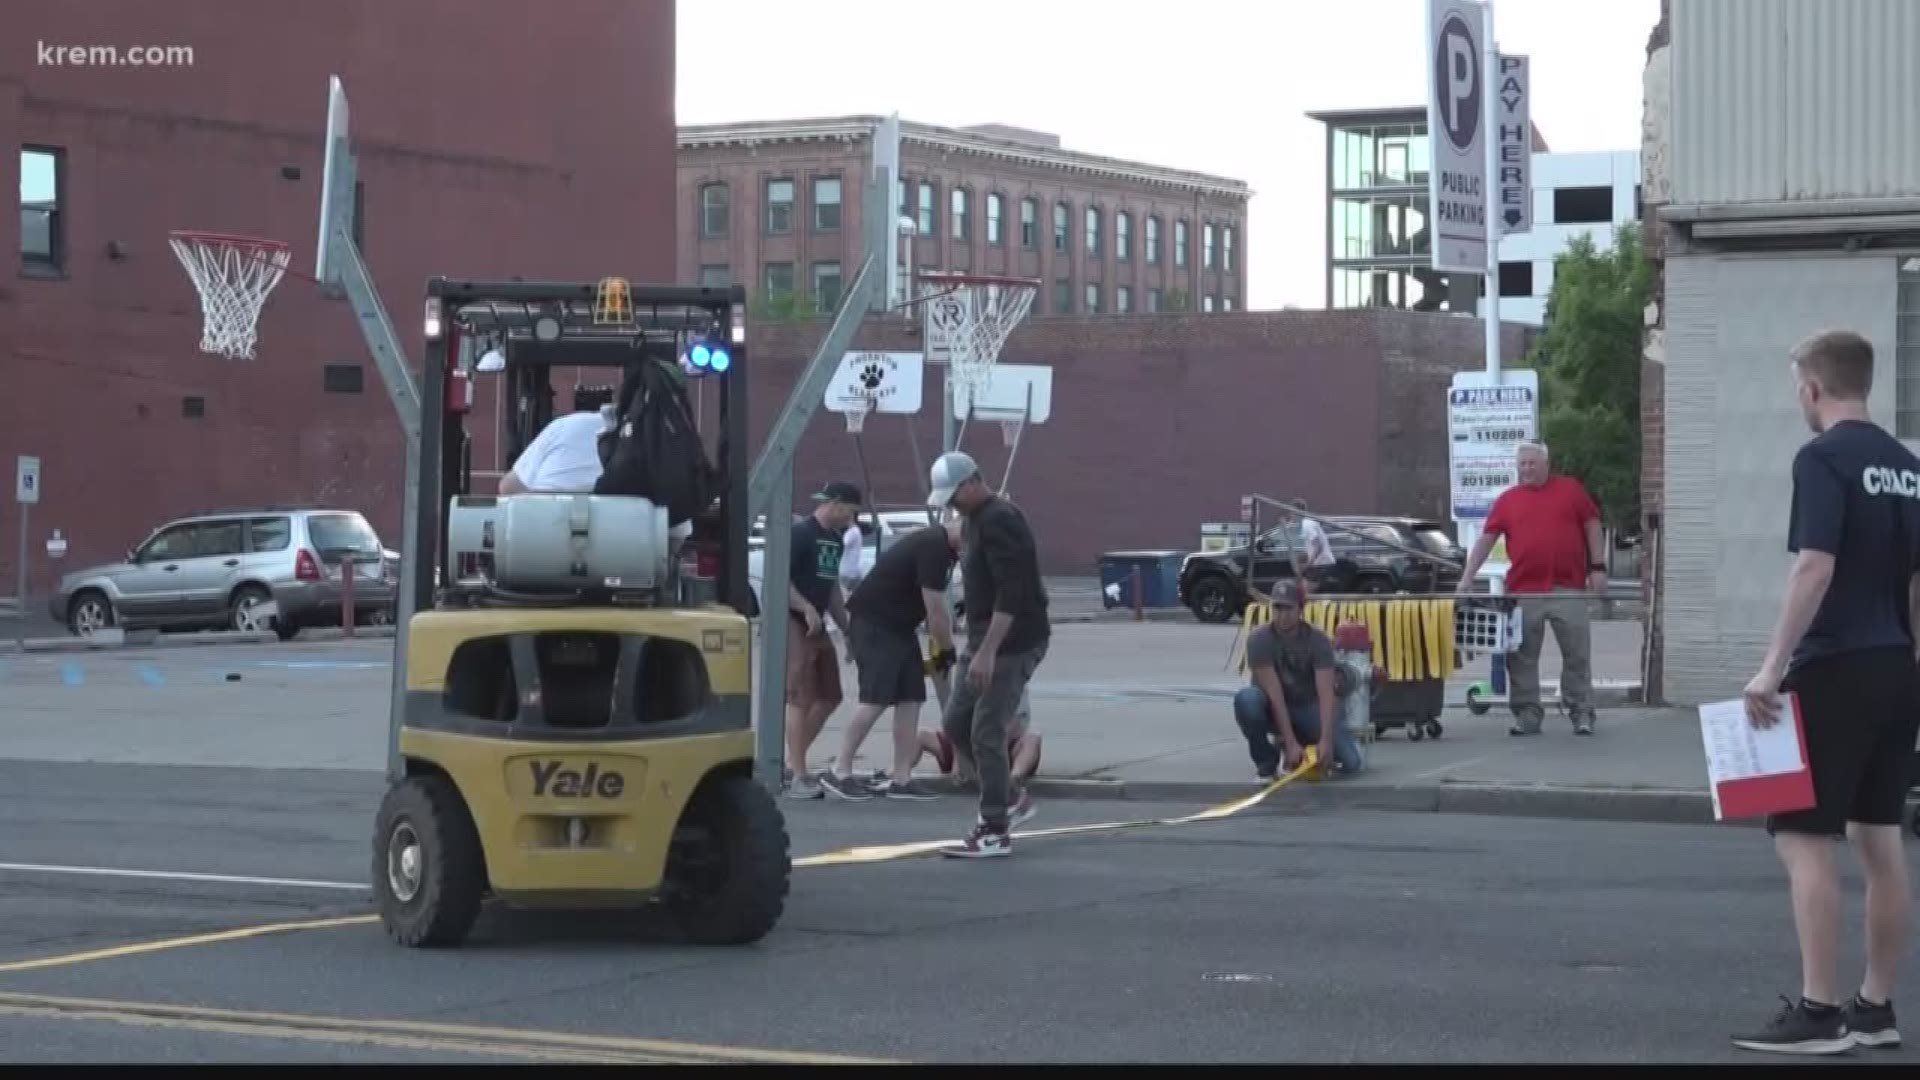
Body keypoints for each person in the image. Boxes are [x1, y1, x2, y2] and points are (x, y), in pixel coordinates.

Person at [1731, 329, 1918, 1056]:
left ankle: (1818, 1011)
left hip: (1834, 667)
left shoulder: (1821, 460)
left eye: (1797, 389)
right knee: (1880, 841)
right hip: (1899, 669)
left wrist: (1771, 667)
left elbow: (1814, 567)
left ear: (1813, 388)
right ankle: (1875, 1007)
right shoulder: (1908, 467)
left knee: (1804, 839)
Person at [925, 451, 1050, 858]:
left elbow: (1013, 592)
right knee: (956, 722)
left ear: (973, 481)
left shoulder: (1001, 520)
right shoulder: (976, 520)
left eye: (954, 496)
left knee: (985, 729)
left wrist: (989, 651)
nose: (952, 506)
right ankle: (1011, 797)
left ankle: (994, 828)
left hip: (1012, 642)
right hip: (983, 640)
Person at [1454, 441, 1608, 736]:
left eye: (1531, 463)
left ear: (1546, 464)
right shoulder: (1507, 500)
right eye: (1522, 464)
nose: (1526, 469)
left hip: (1568, 588)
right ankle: (1527, 714)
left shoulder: (1570, 490)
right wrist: (1467, 577)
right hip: (1524, 590)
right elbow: (1486, 540)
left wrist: (1597, 567)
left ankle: (1582, 711)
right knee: (1521, 656)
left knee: (1577, 653)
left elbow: (1592, 524)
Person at [818, 521, 962, 803]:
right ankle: (839, 769)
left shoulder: (947, 549)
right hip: (875, 624)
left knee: (911, 696)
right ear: (962, 527)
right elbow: (936, 611)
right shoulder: (934, 546)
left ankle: (901, 778)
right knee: (877, 697)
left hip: (899, 628)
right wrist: (946, 650)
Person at [1232, 579, 1362, 780]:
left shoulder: (1317, 640)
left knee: (1351, 762)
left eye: (1288, 609)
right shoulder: (1259, 640)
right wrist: (1290, 741)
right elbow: (1275, 695)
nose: (1282, 615)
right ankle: (1267, 762)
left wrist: (1325, 740)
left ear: (1301, 609)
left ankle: (1306, 743)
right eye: (1277, 608)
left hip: (1307, 705)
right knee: (1246, 700)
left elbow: (1326, 694)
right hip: (1272, 707)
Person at [781, 481, 861, 799]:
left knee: (830, 695)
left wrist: (847, 629)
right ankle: (799, 775)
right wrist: (804, 607)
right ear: (838, 504)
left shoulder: (834, 539)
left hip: (818, 622)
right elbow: (779, 579)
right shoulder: (801, 534)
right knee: (800, 696)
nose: (852, 520)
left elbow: (831, 590)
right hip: (793, 620)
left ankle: (792, 762)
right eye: (852, 512)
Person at [1287, 499, 1338, 591]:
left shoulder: (1307, 525)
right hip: (1320, 563)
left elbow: (1317, 546)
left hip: (1321, 563)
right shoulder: (1305, 524)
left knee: (1310, 590)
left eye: (1291, 512)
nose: (1290, 515)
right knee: (1308, 588)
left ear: (1297, 512)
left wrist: (1309, 564)